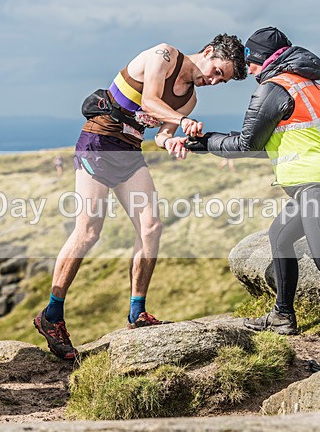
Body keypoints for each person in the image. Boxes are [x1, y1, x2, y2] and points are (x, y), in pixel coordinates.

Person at [34, 35, 247, 360]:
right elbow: (149, 100)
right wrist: (182, 122)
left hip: (130, 152)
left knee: (151, 227)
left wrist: (170, 141)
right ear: (207, 53)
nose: (214, 81)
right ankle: (52, 314)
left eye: (222, 80)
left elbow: (161, 133)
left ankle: (137, 311)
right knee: (88, 232)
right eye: (217, 71)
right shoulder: (164, 55)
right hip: (101, 139)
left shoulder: (188, 101)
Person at [185, 27, 320, 372]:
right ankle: (282, 316)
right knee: (280, 236)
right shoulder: (301, 81)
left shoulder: (274, 87)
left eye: (250, 62)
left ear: (264, 59)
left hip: (319, 183)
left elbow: (248, 143)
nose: (247, 70)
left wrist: (205, 143)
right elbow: (265, 140)